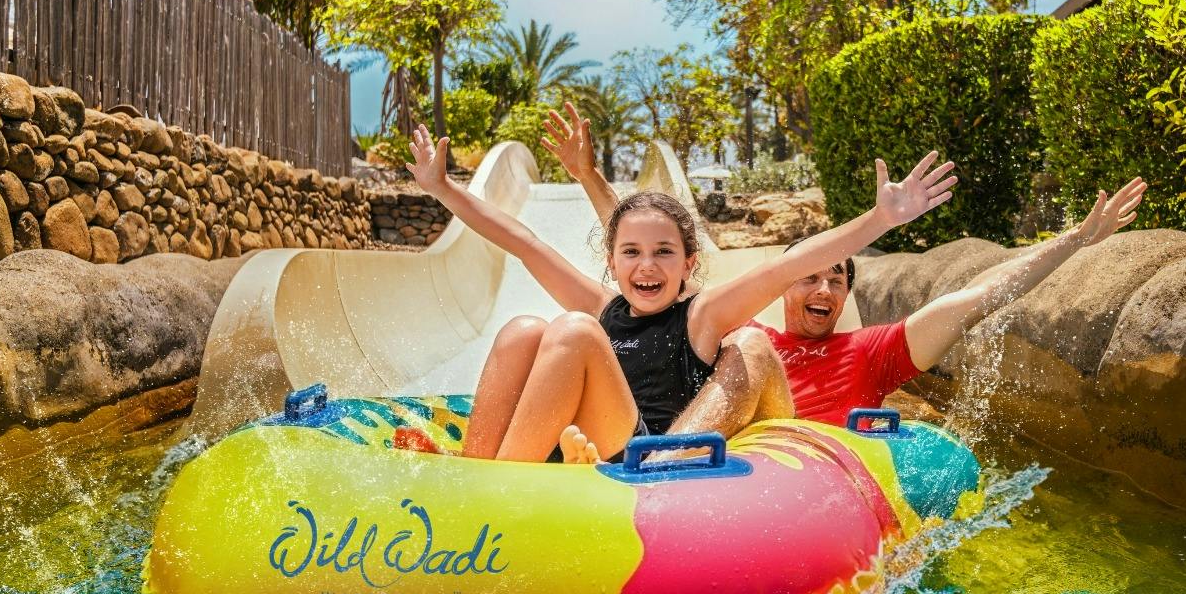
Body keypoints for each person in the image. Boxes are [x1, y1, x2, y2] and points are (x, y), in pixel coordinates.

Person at [544, 101, 1147, 425]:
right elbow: (648, 270)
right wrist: (589, 177)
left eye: (837, 278)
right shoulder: (743, 337)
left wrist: (1075, 241)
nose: (824, 287)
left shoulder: (871, 352)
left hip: (821, 481)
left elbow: (976, 297)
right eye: (810, 274)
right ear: (783, 288)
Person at [408, 122, 957, 463]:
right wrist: (443, 188)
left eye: (664, 252)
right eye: (632, 253)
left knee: (572, 330)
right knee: (524, 329)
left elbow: (791, 265)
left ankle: (506, 488)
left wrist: (879, 220)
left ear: (688, 262)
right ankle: (476, 468)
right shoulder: (605, 307)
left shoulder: (700, 316)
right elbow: (523, 241)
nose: (647, 266)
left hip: (645, 448)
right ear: (612, 262)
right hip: (596, 433)